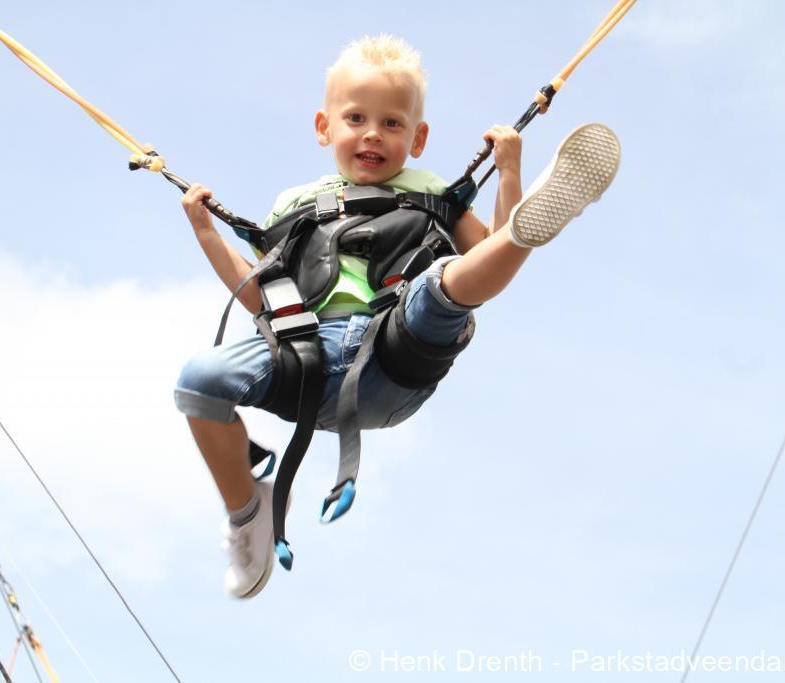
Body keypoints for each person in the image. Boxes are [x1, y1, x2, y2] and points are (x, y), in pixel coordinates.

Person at [174, 35, 620, 598]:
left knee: (442, 284)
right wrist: (207, 233)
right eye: (356, 118)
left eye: (391, 123)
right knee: (198, 380)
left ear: (418, 138)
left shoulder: (431, 191)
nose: (372, 134)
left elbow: (484, 259)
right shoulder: (291, 204)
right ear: (324, 127)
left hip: (394, 348)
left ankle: (526, 230)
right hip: (305, 360)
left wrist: (508, 174)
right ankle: (247, 512)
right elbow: (261, 295)